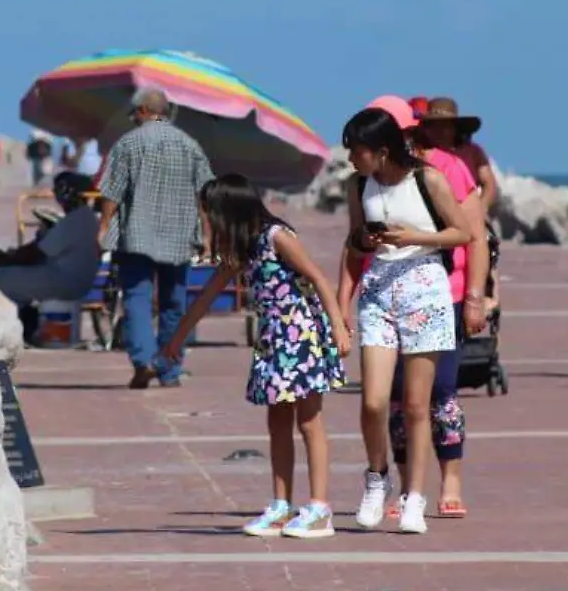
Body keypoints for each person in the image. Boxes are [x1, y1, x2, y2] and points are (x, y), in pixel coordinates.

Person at [162, 174, 350, 538]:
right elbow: (207, 294)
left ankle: (319, 508)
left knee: (309, 422)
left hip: (302, 336)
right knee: (277, 422)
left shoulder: (277, 237)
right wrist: (177, 339)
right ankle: (281, 506)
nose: (208, 221)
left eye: (210, 214)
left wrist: (340, 326)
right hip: (272, 341)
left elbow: (318, 277)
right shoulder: (242, 248)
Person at [336, 105, 473, 535]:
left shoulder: (427, 178)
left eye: (355, 151)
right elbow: (354, 244)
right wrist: (364, 241)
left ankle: (415, 495)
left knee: (417, 406)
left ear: (380, 150)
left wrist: (413, 237)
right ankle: (377, 476)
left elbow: (463, 232)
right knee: (373, 401)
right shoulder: (358, 185)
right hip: (379, 288)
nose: (350, 159)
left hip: (425, 286)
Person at [368, 95, 489, 519]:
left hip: (444, 293)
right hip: (385, 295)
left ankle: (451, 478)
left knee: (441, 393)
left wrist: (475, 298)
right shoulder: (370, 173)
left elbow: (475, 237)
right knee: (399, 398)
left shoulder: (448, 168)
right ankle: (407, 487)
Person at [96, 88, 216, 389]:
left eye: (134, 113)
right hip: (179, 235)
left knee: (137, 297)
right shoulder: (190, 145)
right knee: (173, 302)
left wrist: (104, 224)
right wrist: (208, 234)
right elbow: (206, 195)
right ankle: (169, 369)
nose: (132, 118)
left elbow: (112, 191)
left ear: (145, 111)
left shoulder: (128, 144)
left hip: (136, 233)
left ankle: (144, 361)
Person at [0, 172, 104, 343]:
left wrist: (7, 259)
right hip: (79, 280)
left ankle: (25, 328)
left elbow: (36, 253)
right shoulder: (86, 218)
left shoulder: (74, 220)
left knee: (0, 278)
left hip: (65, 281)